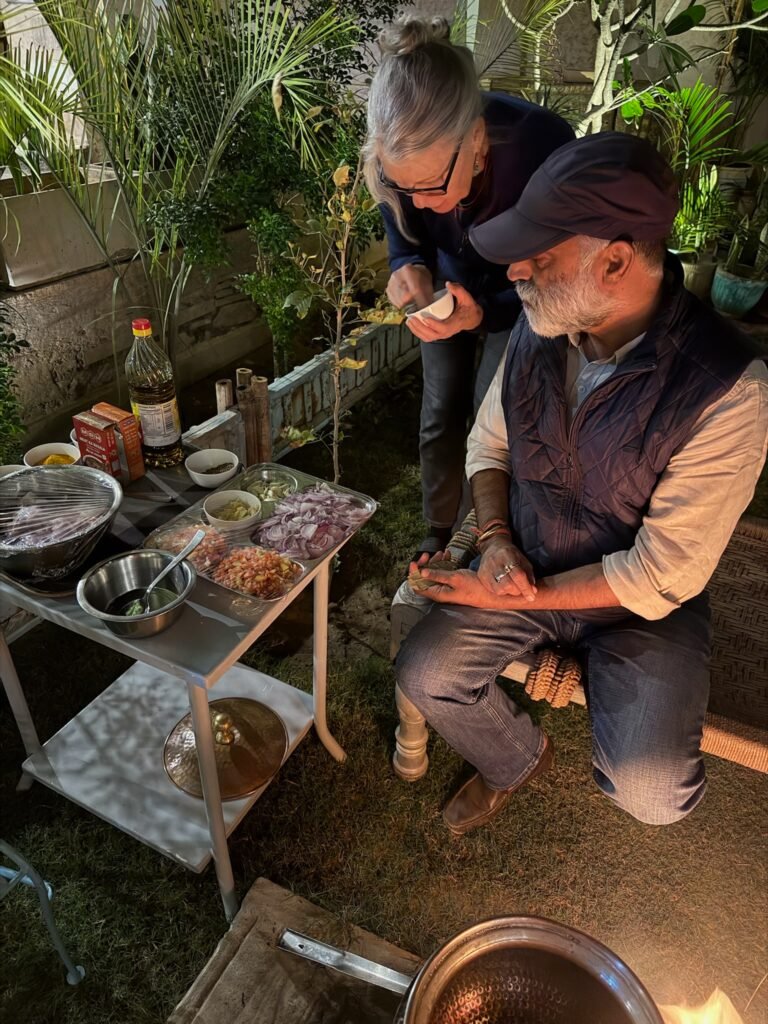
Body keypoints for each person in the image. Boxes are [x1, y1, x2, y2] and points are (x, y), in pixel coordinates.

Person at [397, 132, 768, 836]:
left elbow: (663, 572)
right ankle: (514, 758)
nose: (516, 273)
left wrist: (531, 590)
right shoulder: (540, 331)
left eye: (541, 255)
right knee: (426, 671)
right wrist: (499, 540)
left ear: (617, 261)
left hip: (641, 607)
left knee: (653, 791)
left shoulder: (727, 390)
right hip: (527, 561)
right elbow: (489, 444)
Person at [363, 15, 574, 558]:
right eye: (401, 186)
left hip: (526, 296)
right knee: (439, 409)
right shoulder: (404, 164)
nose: (423, 202)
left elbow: (556, 275)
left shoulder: (542, 147)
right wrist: (405, 265)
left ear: (476, 141)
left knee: (495, 412)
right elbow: (405, 237)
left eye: (432, 186)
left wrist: (484, 312)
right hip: (448, 293)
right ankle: (439, 530)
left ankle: (489, 534)